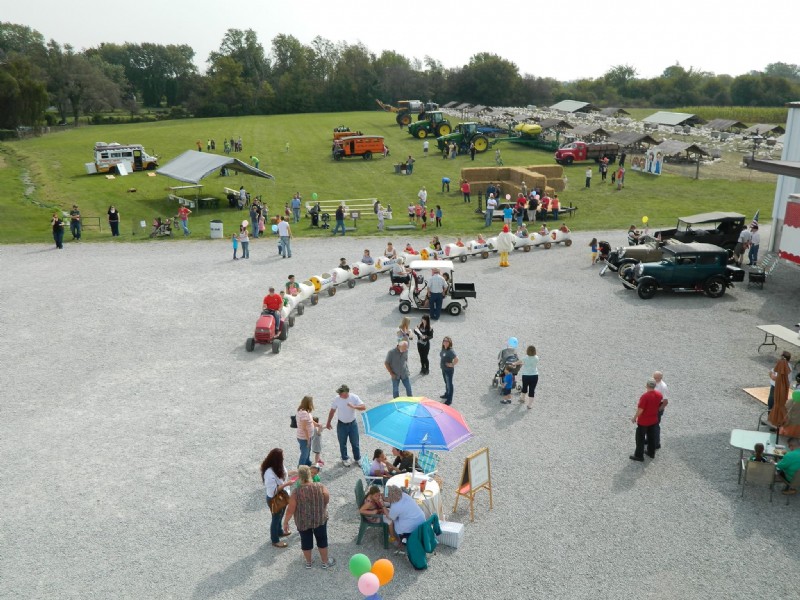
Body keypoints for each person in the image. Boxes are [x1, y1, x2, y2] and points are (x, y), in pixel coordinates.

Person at [282, 465, 335, 569]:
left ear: (299, 477)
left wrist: (285, 522)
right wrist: (322, 505)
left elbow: (290, 510)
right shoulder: (320, 486)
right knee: (322, 539)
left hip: (303, 522)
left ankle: (309, 563)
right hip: (319, 519)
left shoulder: (296, 492)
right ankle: (325, 562)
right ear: (310, 475)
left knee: (305, 540)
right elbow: (327, 497)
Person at [260, 448, 295, 549]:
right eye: (282, 457)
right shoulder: (269, 474)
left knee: (280, 515)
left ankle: (279, 531)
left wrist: (296, 472)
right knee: (275, 518)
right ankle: (275, 540)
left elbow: (285, 473)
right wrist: (287, 484)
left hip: (282, 496)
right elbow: (273, 491)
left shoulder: (278, 465)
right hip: (275, 499)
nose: (284, 458)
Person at [325, 384, 365, 467]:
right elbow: (332, 411)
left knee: (355, 442)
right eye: (339, 393)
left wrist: (354, 406)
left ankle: (357, 458)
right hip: (341, 424)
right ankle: (345, 458)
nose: (339, 394)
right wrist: (328, 422)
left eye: (341, 393)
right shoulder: (337, 399)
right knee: (342, 443)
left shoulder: (354, 397)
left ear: (346, 392)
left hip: (352, 424)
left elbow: (363, 407)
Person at [630, 379, 663, 462]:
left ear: (647, 386)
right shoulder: (659, 394)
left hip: (644, 421)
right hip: (654, 420)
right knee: (651, 437)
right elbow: (660, 404)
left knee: (640, 438)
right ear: (654, 386)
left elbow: (640, 409)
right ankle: (651, 452)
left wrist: (635, 417)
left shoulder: (645, 396)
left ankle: (639, 455)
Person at [652, 371, 669, 449]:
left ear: (661, 378)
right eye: (654, 377)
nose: (655, 379)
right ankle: (649, 439)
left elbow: (665, 402)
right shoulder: (653, 382)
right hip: (652, 405)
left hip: (658, 406)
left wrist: (659, 410)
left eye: (657, 378)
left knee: (655, 425)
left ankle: (656, 443)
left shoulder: (663, 386)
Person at [296, 396, 315, 467]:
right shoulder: (304, 413)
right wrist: (308, 440)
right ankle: (300, 468)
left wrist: (317, 424)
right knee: (304, 453)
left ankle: (307, 463)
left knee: (308, 451)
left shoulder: (303, 410)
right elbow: (304, 428)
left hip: (306, 437)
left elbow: (310, 421)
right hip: (304, 438)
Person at [440, 336, 458, 405]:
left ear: (449, 342)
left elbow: (457, 359)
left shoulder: (450, 351)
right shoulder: (443, 348)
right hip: (444, 369)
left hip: (448, 371)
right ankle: (447, 394)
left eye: (447, 341)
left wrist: (451, 364)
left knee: (449, 384)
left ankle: (449, 400)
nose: (445, 342)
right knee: (446, 383)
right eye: (444, 340)